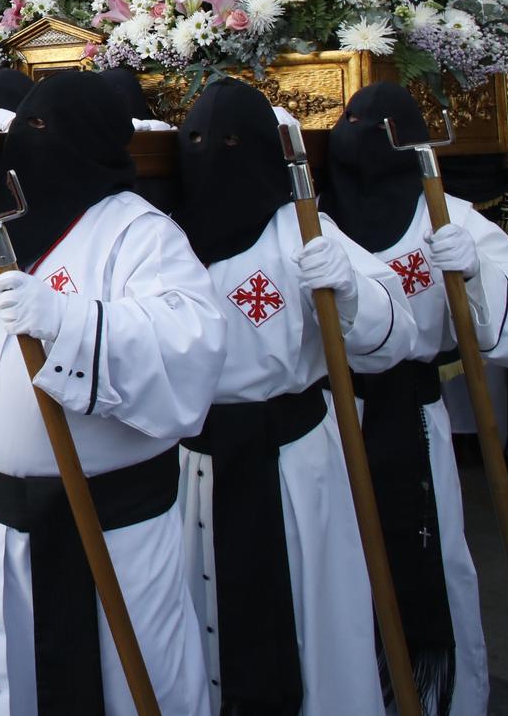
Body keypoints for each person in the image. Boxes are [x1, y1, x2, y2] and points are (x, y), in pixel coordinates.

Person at [0, 71, 225, 713]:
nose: (28, 146)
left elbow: (189, 346)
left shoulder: (136, 232)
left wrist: (67, 320)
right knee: (6, 687)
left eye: (40, 129)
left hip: (101, 534)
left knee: (120, 680)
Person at [172, 78, 416, 715]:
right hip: (194, 464)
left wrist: (355, 294)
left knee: (308, 609)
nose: (210, 155)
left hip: (290, 463)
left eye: (228, 142)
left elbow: (394, 335)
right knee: (200, 615)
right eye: (195, 140)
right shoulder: (166, 233)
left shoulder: (302, 230)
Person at [325, 83, 508, 715]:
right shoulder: (312, 219)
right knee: (338, 568)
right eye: (352, 121)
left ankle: (440, 697)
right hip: (330, 422)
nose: (363, 134)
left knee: (431, 560)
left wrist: (476, 272)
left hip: (412, 419)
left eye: (380, 125)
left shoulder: (445, 215)